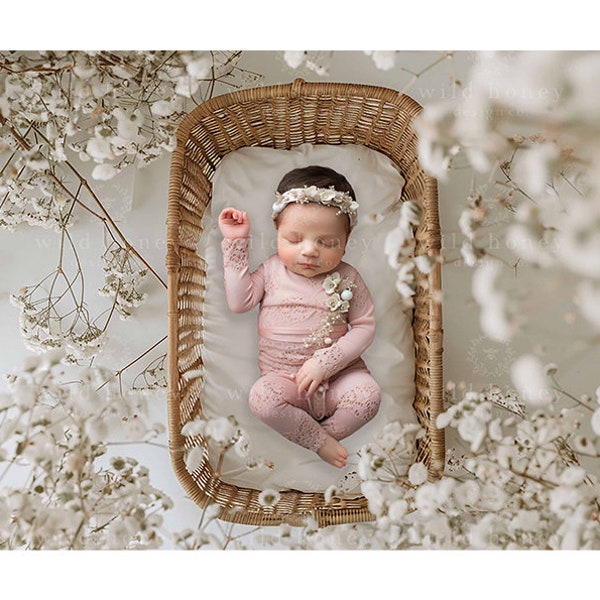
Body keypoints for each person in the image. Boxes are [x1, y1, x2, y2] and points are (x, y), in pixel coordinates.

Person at [218, 165, 381, 469]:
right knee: (261, 399)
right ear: (276, 233)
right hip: (285, 383)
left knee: (369, 396)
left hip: (338, 379)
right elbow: (239, 302)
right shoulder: (271, 270)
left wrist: (327, 362)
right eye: (294, 239)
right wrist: (236, 242)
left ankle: (318, 438)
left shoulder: (348, 277)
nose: (309, 251)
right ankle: (318, 442)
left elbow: (364, 326)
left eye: (327, 243)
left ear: (346, 242)